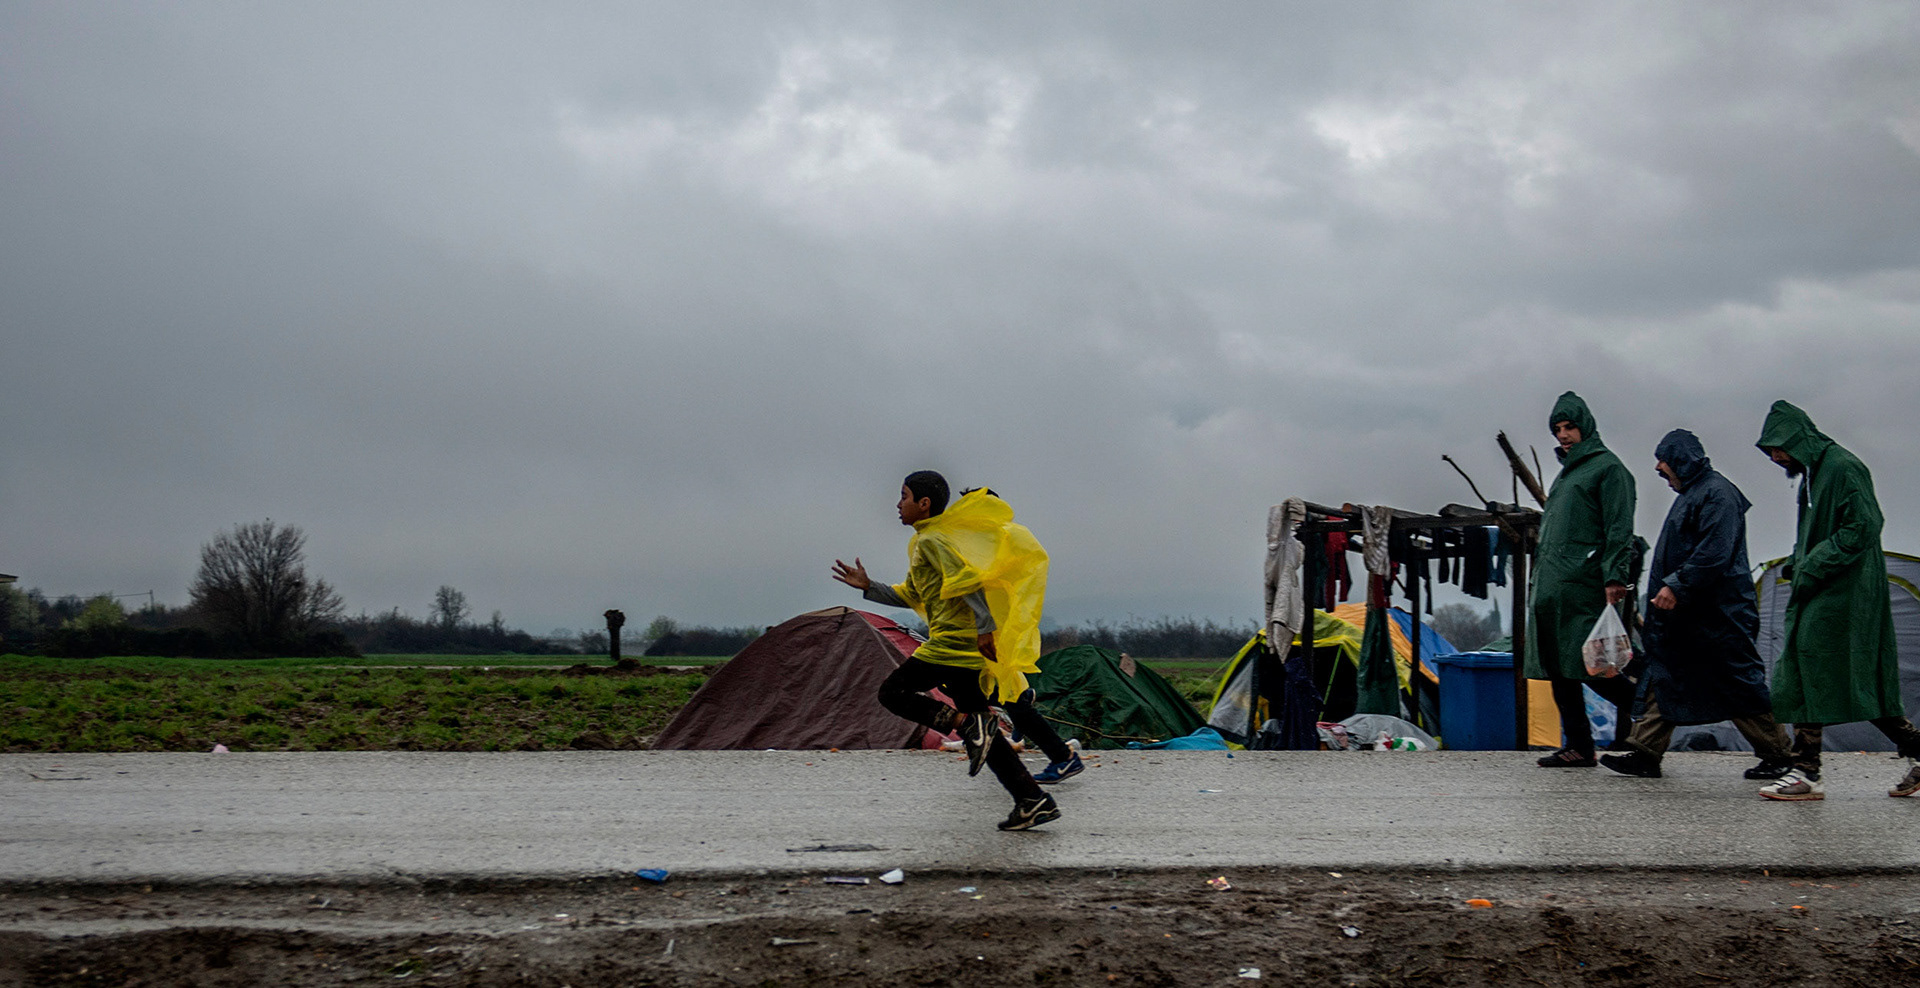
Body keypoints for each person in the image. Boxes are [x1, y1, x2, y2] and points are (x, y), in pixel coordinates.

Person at [831, 471, 1062, 829]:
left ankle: (966, 723)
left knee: (892, 692)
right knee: (985, 736)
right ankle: (1033, 800)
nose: (897, 503)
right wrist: (868, 586)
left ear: (923, 504)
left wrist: (986, 628)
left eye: (904, 496)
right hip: (964, 651)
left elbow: (967, 581)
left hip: (951, 647)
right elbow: (911, 595)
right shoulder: (924, 542)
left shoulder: (932, 541)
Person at [1600, 430, 1793, 780]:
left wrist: (1677, 584)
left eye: (1665, 461)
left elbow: (1714, 551)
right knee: (1666, 675)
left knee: (1738, 685)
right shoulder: (1694, 493)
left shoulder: (1718, 494)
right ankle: (1645, 753)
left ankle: (1779, 754)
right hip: (1689, 615)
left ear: (1682, 460)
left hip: (1719, 615)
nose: (1659, 468)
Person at [1753, 401, 1920, 801]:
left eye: (1779, 447)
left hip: (1844, 594)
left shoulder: (1843, 468)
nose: (1776, 457)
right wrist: (1797, 564)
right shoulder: (1813, 474)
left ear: (1799, 438)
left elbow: (1864, 525)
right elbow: (1816, 533)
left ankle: (1806, 771)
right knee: (1851, 680)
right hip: (1823, 588)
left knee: (1808, 666)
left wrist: (1811, 564)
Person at [1526, 392, 1641, 767]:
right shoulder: (1567, 476)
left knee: (1592, 665)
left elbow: (1619, 528)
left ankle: (1653, 712)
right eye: (1558, 429)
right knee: (1560, 667)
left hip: (1585, 585)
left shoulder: (1609, 470)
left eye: (1570, 427)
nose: (1563, 435)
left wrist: (1615, 577)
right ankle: (1579, 744)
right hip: (1554, 586)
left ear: (1586, 426)